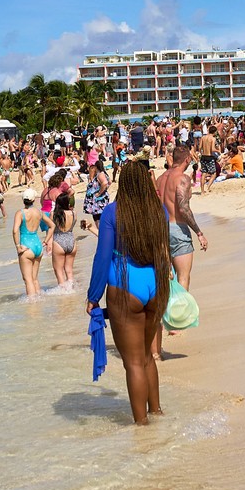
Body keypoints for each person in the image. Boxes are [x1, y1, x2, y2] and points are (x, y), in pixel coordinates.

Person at [86, 159, 173, 425]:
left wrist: (93, 296)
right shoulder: (160, 211)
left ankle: (142, 428)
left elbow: (102, 257)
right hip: (156, 285)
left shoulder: (113, 212)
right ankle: (156, 412)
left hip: (126, 285)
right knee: (147, 355)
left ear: (123, 184)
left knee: (133, 362)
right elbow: (163, 251)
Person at [157, 144, 207, 290]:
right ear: (186, 160)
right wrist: (199, 233)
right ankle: (181, 312)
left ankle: (165, 309)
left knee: (166, 277)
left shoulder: (160, 179)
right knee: (183, 277)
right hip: (177, 229)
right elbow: (183, 208)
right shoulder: (183, 178)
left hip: (161, 229)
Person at [13, 191, 52, 298]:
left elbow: (15, 230)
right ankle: (39, 299)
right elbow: (52, 225)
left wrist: (17, 246)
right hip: (38, 246)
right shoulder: (39, 212)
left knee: (28, 280)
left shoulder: (20, 213)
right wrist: (46, 240)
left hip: (26, 247)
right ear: (33, 200)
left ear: (23, 200)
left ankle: (32, 307)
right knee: (34, 278)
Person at [50, 191, 79, 291]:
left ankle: (63, 291)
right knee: (69, 270)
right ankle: (71, 290)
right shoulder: (74, 213)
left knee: (58, 270)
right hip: (71, 239)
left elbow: (51, 228)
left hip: (59, 240)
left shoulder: (54, 214)